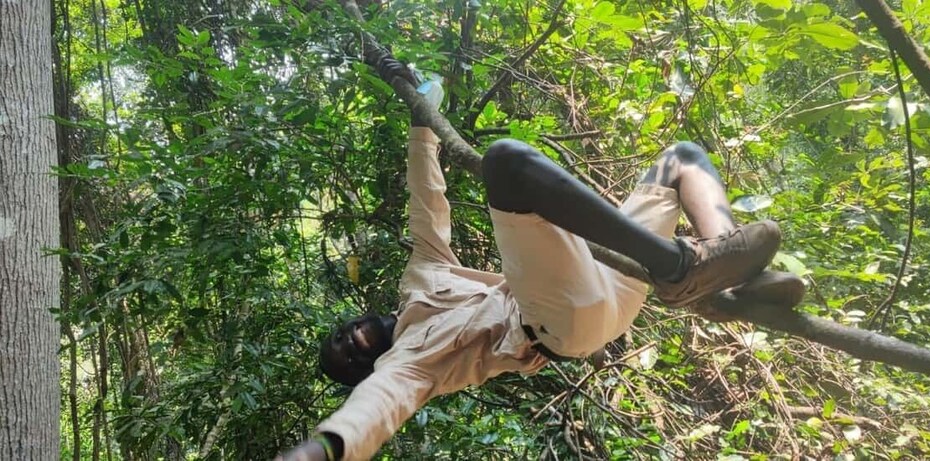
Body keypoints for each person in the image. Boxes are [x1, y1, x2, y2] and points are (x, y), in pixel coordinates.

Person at [277, 57, 804, 461]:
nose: (347, 343)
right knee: (507, 163)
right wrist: (324, 448)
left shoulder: (422, 278)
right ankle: (683, 269)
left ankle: (725, 284)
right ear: (367, 367)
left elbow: (426, 201)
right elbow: (376, 406)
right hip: (559, 323)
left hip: (611, 276)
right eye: (347, 358)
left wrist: (420, 117)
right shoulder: (407, 364)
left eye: (337, 337)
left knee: (682, 159)